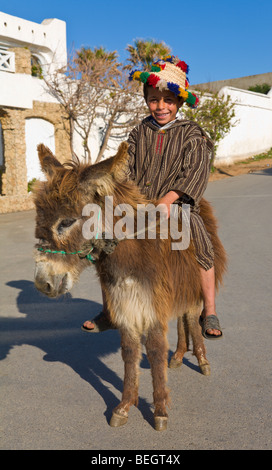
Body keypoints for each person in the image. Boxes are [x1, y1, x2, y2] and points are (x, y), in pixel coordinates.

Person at [82, 55, 223, 339]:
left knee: (203, 249)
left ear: (179, 103)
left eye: (168, 100)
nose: (160, 107)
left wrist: (168, 200)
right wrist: (108, 182)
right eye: (154, 100)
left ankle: (209, 309)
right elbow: (125, 166)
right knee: (102, 243)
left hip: (179, 208)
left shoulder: (192, 135)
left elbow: (195, 172)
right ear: (146, 99)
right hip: (141, 204)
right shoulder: (139, 132)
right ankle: (111, 309)